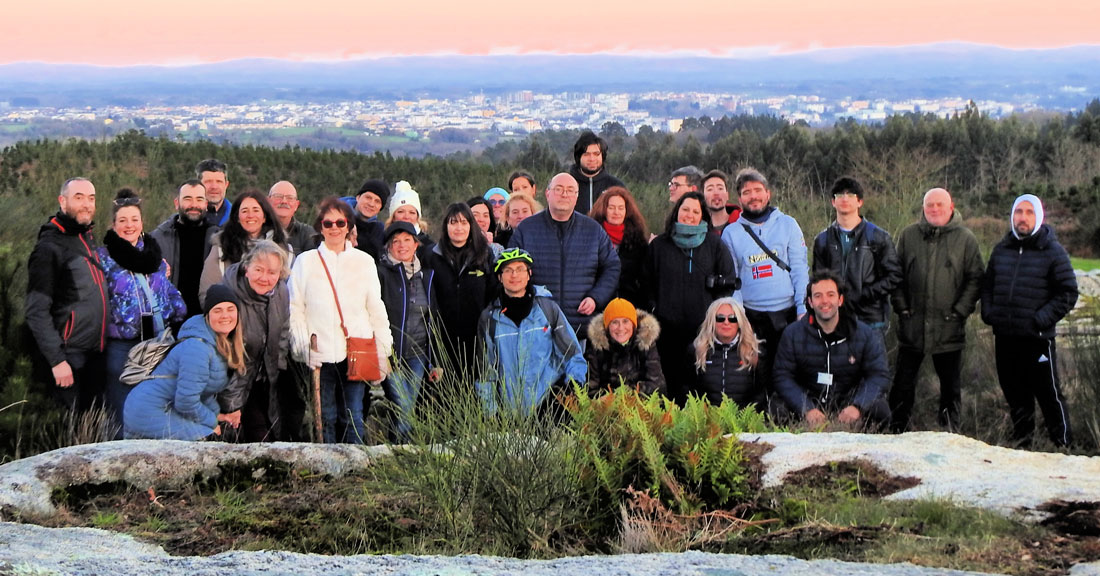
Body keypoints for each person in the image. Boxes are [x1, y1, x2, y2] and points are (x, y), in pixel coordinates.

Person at [289, 198, 392, 444]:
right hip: (320, 352)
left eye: (340, 222)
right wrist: (303, 347)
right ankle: (328, 468)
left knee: (353, 414)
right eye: (328, 222)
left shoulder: (364, 262)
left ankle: (354, 470)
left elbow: (375, 307)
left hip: (356, 349)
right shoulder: (305, 261)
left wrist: (382, 350)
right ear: (320, 227)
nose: (334, 227)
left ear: (348, 226)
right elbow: (295, 308)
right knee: (326, 416)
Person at [981, 194, 1078, 447]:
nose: (1022, 217)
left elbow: (1068, 292)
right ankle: (1023, 444)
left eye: (1029, 212)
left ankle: (1064, 446)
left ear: (1038, 217)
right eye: (1018, 212)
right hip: (1005, 337)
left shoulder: (1053, 251)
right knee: (1015, 394)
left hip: (1037, 340)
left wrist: (1041, 319)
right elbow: (988, 286)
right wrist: (989, 313)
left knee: (1049, 394)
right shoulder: (1002, 249)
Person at [889, 187, 984, 433]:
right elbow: (895, 275)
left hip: (949, 326)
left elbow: (975, 279)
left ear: (951, 207)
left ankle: (950, 433)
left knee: (950, 387)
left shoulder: (966, 239)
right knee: (902, 384)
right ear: (923, 208)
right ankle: (895, 431)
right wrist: (902, 308)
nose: (934, 209)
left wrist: (960, 311)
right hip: (913, 325)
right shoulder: (909, 235)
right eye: (930, 205)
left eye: (940, 205)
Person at [97, 188, 187, 436]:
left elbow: (167, 290)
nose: (129, 225)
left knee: (155, 404)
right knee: (121, 407)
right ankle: (117, 459)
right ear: (113, 225)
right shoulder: (103, 258)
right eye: (123, 220)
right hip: (121, 345)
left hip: (156, 342)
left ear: (142, 223)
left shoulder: (154, 255)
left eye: (134, 219)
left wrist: (180, 314)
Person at [720, 167, 809, 394]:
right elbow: (733, 280)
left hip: (788, 314)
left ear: (768, 194)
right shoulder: (731, 233)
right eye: (747, 192)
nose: (753, 196)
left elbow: (799, 269)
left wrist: (802, 308)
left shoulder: (789, 224)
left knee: (790, 371)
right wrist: (741, 318)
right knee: (757, 375)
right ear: (739, 199)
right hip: (752, 317)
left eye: (758, 190)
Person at [25, 177, 108, 413]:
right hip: (68, 360)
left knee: (92, 432)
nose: (87, 204)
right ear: (63, 201)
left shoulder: (85, 237)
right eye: (78, 197)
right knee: (68, 435)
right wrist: (57, 360)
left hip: (93, 356)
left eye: (91, 198)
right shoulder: (49, 248)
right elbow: (36, 310)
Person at [123, 285, 247, 440]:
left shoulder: (221, 345)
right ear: (207, 316)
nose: (225, 315)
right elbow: (186, 401)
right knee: (208, 440)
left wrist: (219, 415)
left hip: (169, 406)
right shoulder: (197, 348)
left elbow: (202, 392)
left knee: (218, 435)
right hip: (149, 410)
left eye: (230, 309)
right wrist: (211, 421)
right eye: (217, 310)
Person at [646, 191, 737, 403]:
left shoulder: (715, 245)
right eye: (685, 209)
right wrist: (655, 308)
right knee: (670, 385)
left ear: (702, 216)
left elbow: (729, 280)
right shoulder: (659, 246)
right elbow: (647, 281)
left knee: (700, 385)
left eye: (695, 211)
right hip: (666, 332)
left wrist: (712, 311)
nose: (689, 215)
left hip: (703, 331)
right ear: (677, 212)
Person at [773, 271, 891, 430]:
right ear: (810, 301)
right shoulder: (793, 334)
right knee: (776, 408)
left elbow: (879, 375)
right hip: (810, 400)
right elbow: (782, 376)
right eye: (818, 296)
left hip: (847, 403)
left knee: (881, 410)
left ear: (840, 299)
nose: (825, 301)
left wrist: (858, 405)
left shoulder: (863, 334)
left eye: (830, 295)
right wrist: (806, 408)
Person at [508, 172, 621, 337]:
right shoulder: (527, 229)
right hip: (537, 326)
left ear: (576, 197)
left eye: (570, 190)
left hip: (580, 327)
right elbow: (509, 269)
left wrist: (596, 298)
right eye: (558, 189)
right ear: (548, 194)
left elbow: (612, 266)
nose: (564, 194)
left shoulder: (593, 230)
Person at [477, 248, 586, 414]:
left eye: (520, 269)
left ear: (529, 274)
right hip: (508, 412)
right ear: (500, 277)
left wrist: (572, 388)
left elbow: (572, 354)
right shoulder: (489, 318)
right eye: (508, 270)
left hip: (548, 407)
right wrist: (490, 413)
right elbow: (485, 371)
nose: (514, 275)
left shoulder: (548, 309)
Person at [217, 240, 291, 442]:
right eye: (259, 269)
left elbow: (283, 330)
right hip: (233, 379)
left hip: (266, 378)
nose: (265, 278)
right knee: (242, 438)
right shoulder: (229, 295)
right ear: (246, 268)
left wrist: (279, 364)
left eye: (272, 272)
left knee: (270, 432)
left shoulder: (281, 292)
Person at [811, 176, 901, 342]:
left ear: (860, 202)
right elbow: (817, 280)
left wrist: (864, 294)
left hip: (871, 319)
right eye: (840, 195)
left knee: (873, 367)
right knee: (838, 367)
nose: (845, 199)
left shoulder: (878, 237)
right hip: (834, 318)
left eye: (851, 195)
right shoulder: (823, 240)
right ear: (833, 202)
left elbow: (894, 276)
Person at [377, 221, 439, 441]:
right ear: (389, 247)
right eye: (395, 242)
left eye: (406, 240)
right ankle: (399, 455)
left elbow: (433, 320)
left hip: (418, 355)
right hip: (392, 355)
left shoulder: (427, 277)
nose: (401, 246)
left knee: (407, 408)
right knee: (402, 406)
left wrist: (434, 360)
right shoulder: (382, 274)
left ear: (416, 244)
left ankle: (397, 452)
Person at [428, 203, 498, 378]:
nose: (459, 228)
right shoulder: (432, 257)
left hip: (477, 338)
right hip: (443, 340)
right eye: (453, 222)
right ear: (446, 226)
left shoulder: (485, 255)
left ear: (471, 226)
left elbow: (493, 293)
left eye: (464, 222)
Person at [199, 190, 289, 303]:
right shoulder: (222, 248)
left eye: (256, 210)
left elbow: (292, 295)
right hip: (232, 317)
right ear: (237, 217)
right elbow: (207, 292)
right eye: (245, 211)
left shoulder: (284, 250)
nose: (250, 215)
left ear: (264, 217)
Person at [151, 179, 217, 317]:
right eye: (187, 199)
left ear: (205, 204)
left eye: (199, 199)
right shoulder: (158, 238)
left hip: (207, 321)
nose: (194, 205)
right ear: (177, 203)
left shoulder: (219, 239)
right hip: (168, 321)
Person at [689, 297, 764, 410]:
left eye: (732, 318)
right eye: (720, 318)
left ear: (739, 322)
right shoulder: (696, 350)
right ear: (712, 321)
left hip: (743, 423)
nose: (726, 323)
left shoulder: (755, 351)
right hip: (707, 422)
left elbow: (761, 393)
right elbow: (688, 391)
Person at [584, 298, 665, 396]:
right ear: (607, 326)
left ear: (633, 324)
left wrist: (628, 396)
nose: (621, 328)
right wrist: (609, 400)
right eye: (615, 322)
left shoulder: (646, 344)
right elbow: (590, 388)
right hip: (607, 407)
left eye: (625, 321)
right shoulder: (596, 348)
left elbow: (657, 384)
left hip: (640, 405)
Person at [589, 186, 650, 306]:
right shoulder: (591, 237)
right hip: (597, 305)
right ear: (603, 210)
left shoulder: (638, 242)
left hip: (629, 305)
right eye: (611, 208)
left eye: (621, 208)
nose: (616, 212)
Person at [568, 130, 626, 215]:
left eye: (596, 154)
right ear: (578, 157)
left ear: (603, 156)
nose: (592, 159)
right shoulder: (567, 185)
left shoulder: (616, 186)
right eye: (586, 154)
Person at [385, 180, 435, 255]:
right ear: (393, 216)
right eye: (401, 212)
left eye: (412, 213)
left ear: (417, 217)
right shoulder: (382, 241)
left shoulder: (429, 247)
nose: (406, 217)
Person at [269, 180, 317, 256]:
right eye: (278, 196)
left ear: (296, 205)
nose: (284, 201)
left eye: (290, 198)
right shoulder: (259, 230)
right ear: (268, 201)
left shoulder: (308, 234)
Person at [351, 178, 389, 260]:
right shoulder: (338, 221)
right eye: (368, 197)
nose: (371, 204)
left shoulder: (379, 231)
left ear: (380, 208)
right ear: (358, 197)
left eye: (377, 201)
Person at [196, 158, 232, 227]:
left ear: (226, 185)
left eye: (219, 181)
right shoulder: (184, 220)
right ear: (198, 185)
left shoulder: (239, 219)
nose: (214, 187)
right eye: (208, 181)